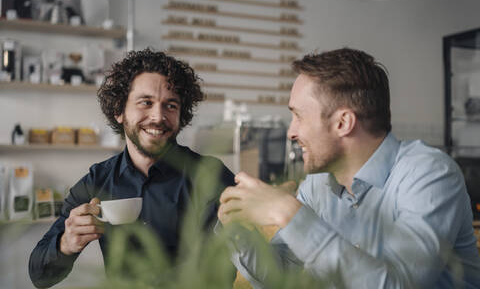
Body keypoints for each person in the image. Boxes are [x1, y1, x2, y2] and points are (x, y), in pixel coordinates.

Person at [218, 48, 480, 288]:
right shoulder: (317, 184)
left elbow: (396, 285)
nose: (291, 132)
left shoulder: (430, 175)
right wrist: (239, 231)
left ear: (343, 122)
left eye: (299, 116)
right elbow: (282, 276)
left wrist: (288, 212)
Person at [29, 49, 235, 288]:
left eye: (170, 105)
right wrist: (66, 243)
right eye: (145, 102)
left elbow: (222, 267)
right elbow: (39, 276)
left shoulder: (210, 176)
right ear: (119, 110)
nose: (158, 116)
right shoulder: (97, 181)